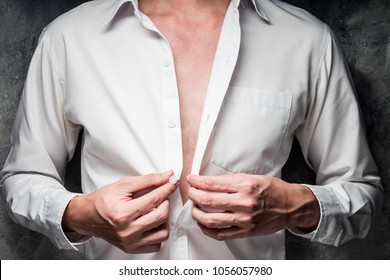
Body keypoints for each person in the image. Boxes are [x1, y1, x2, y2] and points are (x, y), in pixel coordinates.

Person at [0, 0, 383, 259]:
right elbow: (23, 178)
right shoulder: (68, 39)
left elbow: (362, 194)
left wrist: (292, 207)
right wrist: (80, 214)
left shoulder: (306, 41)